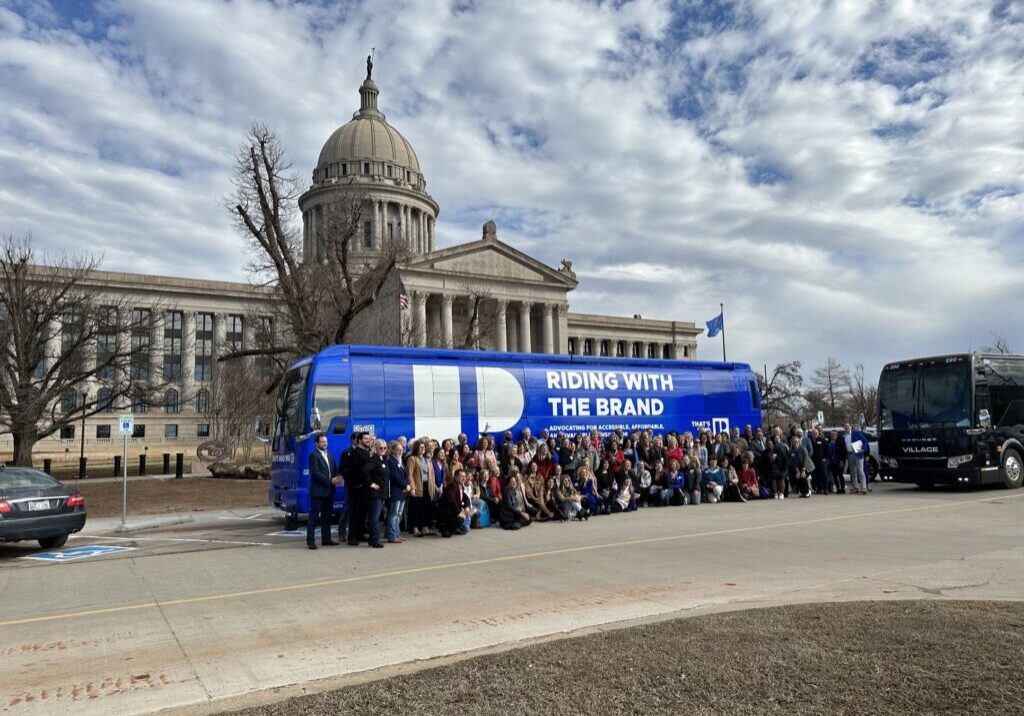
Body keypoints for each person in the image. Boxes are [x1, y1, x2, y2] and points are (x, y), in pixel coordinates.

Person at [306, 432, 338, 549]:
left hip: (329, 491)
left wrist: (338, 477)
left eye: (326, 442)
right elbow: (316, 473)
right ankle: (310, 541)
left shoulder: (330, 455)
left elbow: (335, 469)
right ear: (316, 443)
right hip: (318, 491)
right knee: (314, 517)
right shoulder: (313, 456)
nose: (325, 444)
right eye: (322, 442)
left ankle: (326, 539)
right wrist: (330, 480)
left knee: (327, 516)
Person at [341, 431, 373, 546]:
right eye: (365, 439)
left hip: (366, 489)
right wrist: (355, 484)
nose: (368, 441)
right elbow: (350, 471)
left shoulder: (368, 452)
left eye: (369, 439)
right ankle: (352, 537)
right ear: (360, 440)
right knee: (354, 513)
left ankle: (360, 534)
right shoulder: (355, 453)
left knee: (363, 513)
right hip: (356, 488)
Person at [363, 439, 390, 548]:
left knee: (376, 517)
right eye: (380, 448)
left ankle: (371, 539)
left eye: (384, 448)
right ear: (375, 448)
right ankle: (375, 540)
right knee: (374, 518)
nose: (382, 450)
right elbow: (364, 471)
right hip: (375, 494)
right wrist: (371, 484)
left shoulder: (383, 459)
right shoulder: (374, 459)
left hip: (382, 493)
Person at [405, 439, 435, 537]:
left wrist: (433, 487)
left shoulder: (428, 459)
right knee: (416, 508)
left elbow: (432, 475)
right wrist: (412, 487)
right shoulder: (412, 459)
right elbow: (409, 475)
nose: (422, 449)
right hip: (417, 487)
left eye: (423, 447)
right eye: (420, 447)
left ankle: (425, 528)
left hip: (428, 486)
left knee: (427, 507)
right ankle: (415, 528)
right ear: (416, 448)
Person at [385, 440, 409, 543]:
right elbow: (394, 476)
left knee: (399, 514)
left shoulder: (400, 461)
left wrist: (407, 484)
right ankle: (392, 535)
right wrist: (405, 485)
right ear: (393, 450)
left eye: (401, 449)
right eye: (398, 450)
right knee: (393, 514)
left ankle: (397, 534)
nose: (400, 451)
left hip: (402, 491)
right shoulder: (391, 461)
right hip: (395, 491)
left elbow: (404, 475)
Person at [436, 469, 470, 537]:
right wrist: (459, 512)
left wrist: (467, 506)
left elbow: (466, 498)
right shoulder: (452, 486)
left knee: (465, 530)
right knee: (460, 520)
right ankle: (444, 528)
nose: (464, 478)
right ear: (456, 477)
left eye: (464, 476)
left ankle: (453, 528)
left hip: (452, 512)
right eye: (461, 476)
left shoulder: (461, 486)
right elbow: (451, 500)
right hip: (446, 513)